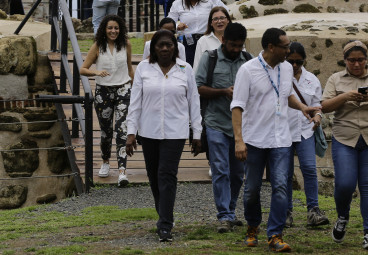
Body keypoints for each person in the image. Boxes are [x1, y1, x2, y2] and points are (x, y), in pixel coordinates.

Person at [231, 28, 321, 252]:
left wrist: (302, 107)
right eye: (285, 47)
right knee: (251, 189)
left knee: (281, 186)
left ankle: (275, 234)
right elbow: (237, 106)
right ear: (271, 47)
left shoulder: (287, 68)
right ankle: (253, 227)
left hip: (282, 139)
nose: (289, 51)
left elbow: (286, 94)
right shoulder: (248, 70)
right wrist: (239, 140)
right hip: (254, 140)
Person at [321, 40, 368, 251]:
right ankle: (343, 217)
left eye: (360, 60)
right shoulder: (335, 78)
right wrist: (345, 96)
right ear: (344, 60)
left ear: (366, 59)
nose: (356, 64)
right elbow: (324, 106)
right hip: (344, 137)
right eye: (351, 60)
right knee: (344, 184)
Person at [126, 29, 203, 242]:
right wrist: (131, 133)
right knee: (153, 176)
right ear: (154, 48)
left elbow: (193, 103)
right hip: (148, 131)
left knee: (166, 175)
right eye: (160, 45)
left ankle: (165, 225)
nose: (165, 48)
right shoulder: (143, 68)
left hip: (175, 132)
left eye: (169, 44)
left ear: (175, 47)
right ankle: (164, 215)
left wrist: (197, 133)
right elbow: (135, 103)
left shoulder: (185, 69)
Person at [195, 22, 250, 233]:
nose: (236, 50)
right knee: (220, 170)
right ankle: (224, 215)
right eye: (233, 45)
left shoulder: (248, 61)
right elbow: (198, 88)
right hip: (215, 121)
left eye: (240, 46)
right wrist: (223, 92)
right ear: (224, 40)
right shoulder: (209, 59)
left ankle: (230, 209)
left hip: (241, 126)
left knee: (237, 173)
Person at [79, 15, 134, 187]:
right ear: (104, 29)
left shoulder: (126, 44)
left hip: (124, 88)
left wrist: (137, 88)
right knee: (106, 131)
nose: (113, 31)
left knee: (122, 129)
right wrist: (96, 73)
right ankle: (105, 161)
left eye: (116, 28)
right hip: (103, 91)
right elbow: (83, 69)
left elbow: (130, 68)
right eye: (110, 28)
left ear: (121, 29)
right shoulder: (98, 46)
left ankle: (122, 171)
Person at [285, 42, 329, 228]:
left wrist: (318, 117)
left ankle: (313, 210)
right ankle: (285, 211)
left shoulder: (312, 79)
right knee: (284, 174)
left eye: (298, 62)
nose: (294, 65)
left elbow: (318, 105)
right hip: (284, 131)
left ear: (304, 60)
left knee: (310, 170)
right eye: (291, 61)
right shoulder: (280, 77)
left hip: (305, 130)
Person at [167, 0, 227, 66]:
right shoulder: (178, 3)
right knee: (187, 67)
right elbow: (168, 22)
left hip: (206, 39)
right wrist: (177, 26)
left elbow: (225, 12)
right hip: (187, 42)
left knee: (208, 66)